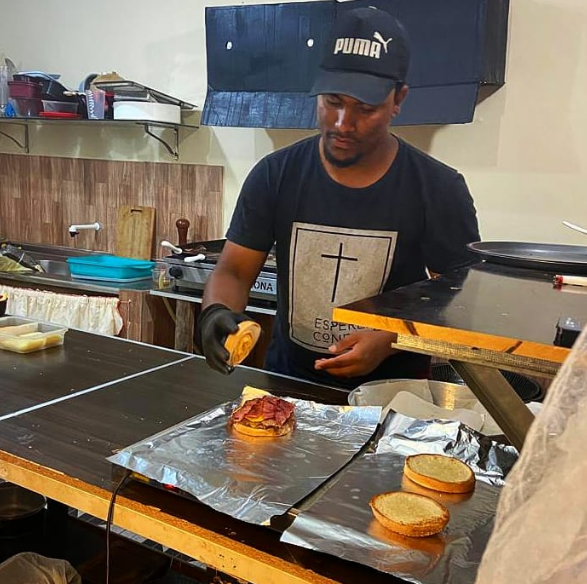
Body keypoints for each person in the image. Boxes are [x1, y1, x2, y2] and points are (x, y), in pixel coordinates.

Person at [197, 6, 480, 390]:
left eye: (365, 108)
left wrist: (389, 339)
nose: (344, 123)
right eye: (332, 101)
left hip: (393, 396)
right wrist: (216, 312)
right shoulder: (275, 175)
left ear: (398, 98)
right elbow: (233, 271)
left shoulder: (437, 188)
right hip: (288, 385)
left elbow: (458, 297)